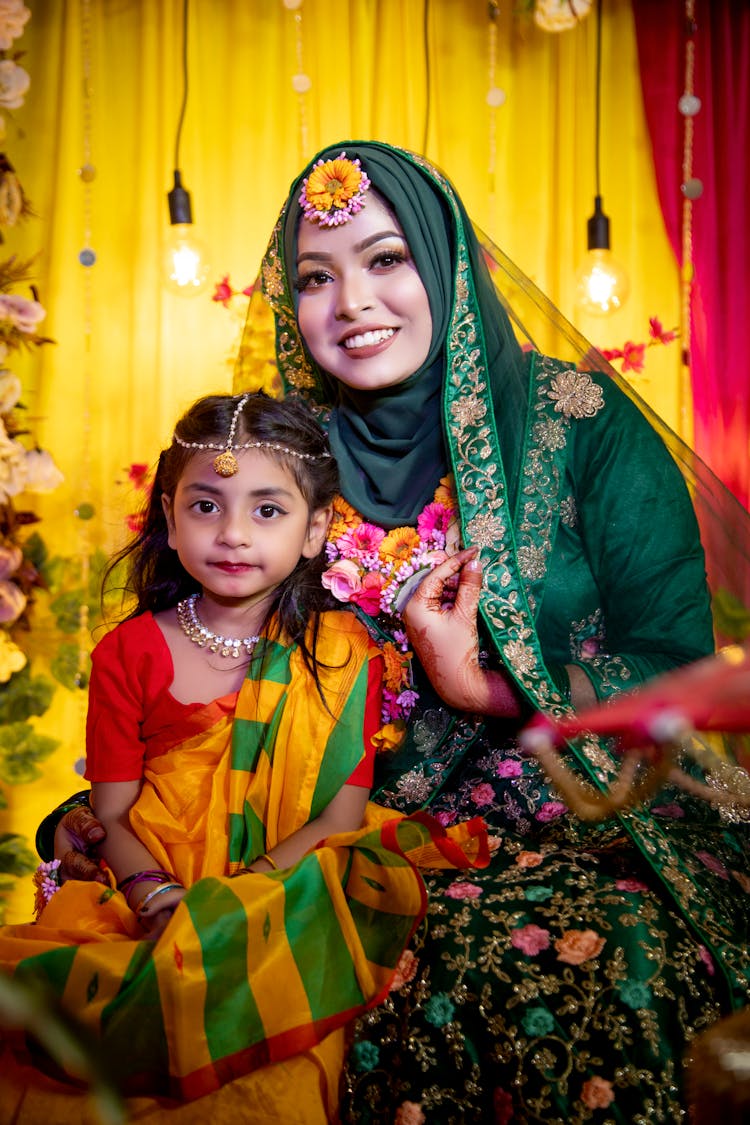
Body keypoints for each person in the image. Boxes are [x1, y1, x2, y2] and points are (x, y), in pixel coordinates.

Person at [39, 141, 750, 1122]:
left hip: (578, 828)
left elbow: (681, 669)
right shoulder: (275, 458)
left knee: (582, 986)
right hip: (301, 832)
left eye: (388, 259)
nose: (352, 303)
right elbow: (193, 646)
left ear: (449, 262)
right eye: (318, 277)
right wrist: (111, 805)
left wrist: (482, 687)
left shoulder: (581, 422)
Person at [0, 390, 488, 1118]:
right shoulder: (127, 651)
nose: (232, 533)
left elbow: (341, 813)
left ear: (316, 526)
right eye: (205, 506)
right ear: (168, 517)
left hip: (286, 893)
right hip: (146, 891)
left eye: (267, 510)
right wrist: (159, 897)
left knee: (264, 1087)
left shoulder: (340, 654)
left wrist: (239, 901)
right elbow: (111, 812)